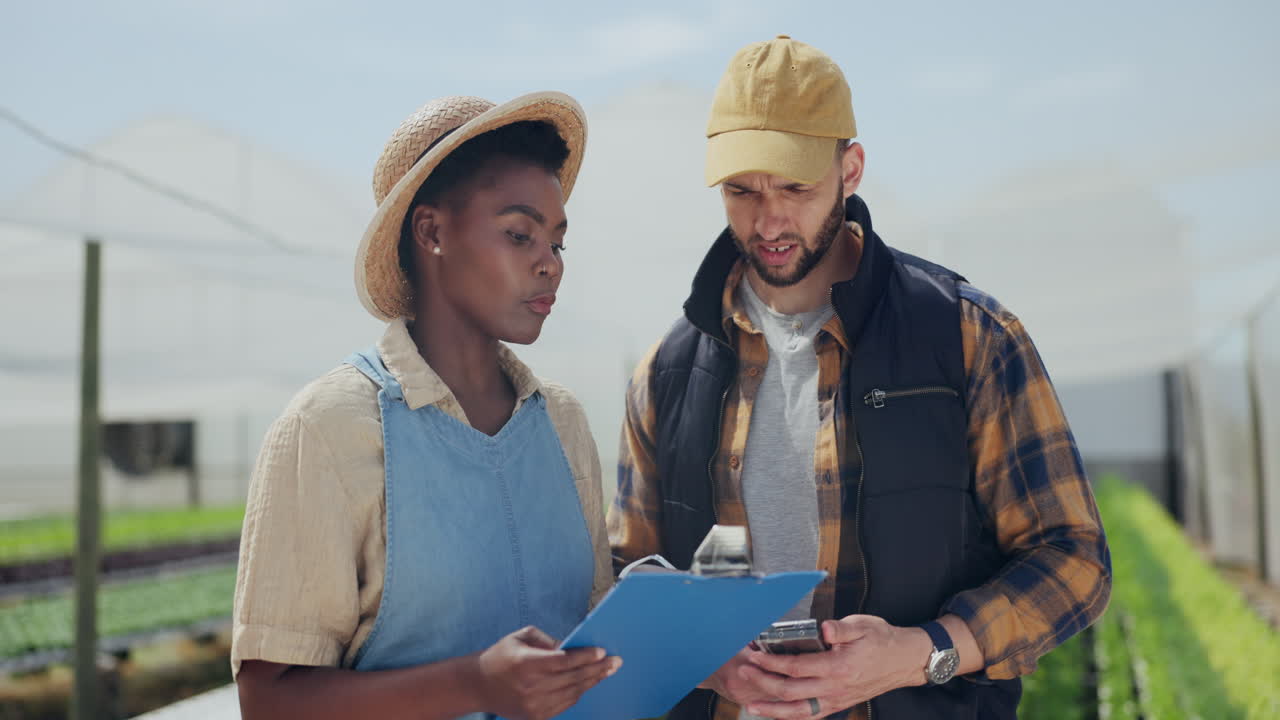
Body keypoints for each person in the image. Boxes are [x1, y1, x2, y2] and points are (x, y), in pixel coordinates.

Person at [608, 36, 1111, 720]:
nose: (768, 219)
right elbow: (627, 574)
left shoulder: (968, 338)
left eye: (796, 186)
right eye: (741, 190)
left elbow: (1074, 560)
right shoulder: (668, 372)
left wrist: (923, 652)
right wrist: (704, 659)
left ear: (851, 169)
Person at [232, 92, 619, 720]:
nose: (549, 265)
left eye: (557, 243)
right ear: (432, 232)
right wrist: (474, 684)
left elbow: (592, 640)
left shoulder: (563, 423)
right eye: (520, 234)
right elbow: (267, 700)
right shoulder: (329, 427)